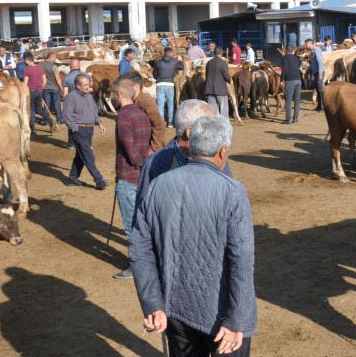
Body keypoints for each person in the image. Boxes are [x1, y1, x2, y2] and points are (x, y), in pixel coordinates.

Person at [131, 114, 256, 357]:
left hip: (175, 310)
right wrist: (237, 319)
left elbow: (139, 249)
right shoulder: (233, 193)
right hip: (222, 316)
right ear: (223, 152)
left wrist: (153, 303)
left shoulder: (158, 185)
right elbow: (242, 261)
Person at [134, 99, 233, 213]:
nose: (216, 131)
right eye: (209, 126)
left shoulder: (217, 157)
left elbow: (229, 203)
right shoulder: (154, 164)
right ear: (190, 132)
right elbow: (141, 212)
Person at [109, 78, 152, 280]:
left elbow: (130, 150)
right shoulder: (141, 114)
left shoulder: (123, 117)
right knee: (144, 222)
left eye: (112, 96)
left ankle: (136, 266)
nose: (111, 99)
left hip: (128, 176)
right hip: (144, 177)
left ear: (119, 95)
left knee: (131, 226)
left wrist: (138, 164)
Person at [63, 74, 107, 189]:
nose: (88, 87)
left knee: (81, 154)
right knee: (88, 155)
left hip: (89, 129)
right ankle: (99, 180)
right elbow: (67, 115)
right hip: (79, 129)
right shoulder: (71, 97)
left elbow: (94, 111)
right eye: (85, 85)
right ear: (78, 86)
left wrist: (99, 123)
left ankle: (72, 178)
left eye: (88, 84)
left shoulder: (88, 96)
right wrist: (75, 128)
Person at [125, 71, 167, 153]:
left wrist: (154, 148)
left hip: (148, 148)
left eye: (126, 87)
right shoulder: (131, 101)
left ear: (136, 87)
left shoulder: (145, 100)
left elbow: (159, 124)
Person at [23, 53, 54, 133]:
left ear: (27, 60)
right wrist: (40, 88)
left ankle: (32, 128)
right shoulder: (40, 68)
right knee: (39, 109)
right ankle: (50, 120)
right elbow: (45, 80)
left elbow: (25, 83)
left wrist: (24, 91)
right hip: (38, 92)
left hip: (30, 92)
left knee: (30, 110)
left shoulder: (27, 69)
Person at [153, 47, 183, 126]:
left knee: (160, 105)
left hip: (160, 84)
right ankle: (170, 123)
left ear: (164, 53)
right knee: (170, 104)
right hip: (170, 84)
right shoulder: (175, 62)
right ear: (170, 53)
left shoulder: (158, 62)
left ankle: (161, 122)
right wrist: (180, 59)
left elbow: (154, 74)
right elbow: (182, 67)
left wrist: (158, 78)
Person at [40, 53, 64, 128]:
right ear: (52, 57)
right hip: (55, 88)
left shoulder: (40, 66)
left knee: (47, 104)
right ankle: (59, 119)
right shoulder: (54, 66)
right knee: (57, 104)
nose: (55, 59)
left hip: (45, 88)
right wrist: (61, 88)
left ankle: (45, 120)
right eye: (55, 58)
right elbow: (57, 79)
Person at [205, 51, 231, 118]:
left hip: (210, 90)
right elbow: (226, 76)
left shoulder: (208, 63)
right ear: (221, 54)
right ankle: (224, 125)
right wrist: (229, 80)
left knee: (213, 112)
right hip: (221, 90)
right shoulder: (223, 63)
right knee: (223, 110)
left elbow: (206, 75)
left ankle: (215, 126)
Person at [281, 47, 302, 124]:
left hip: (290, 80)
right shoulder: (296, 58)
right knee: (297, 100)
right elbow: (299, 65)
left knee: (288, 101)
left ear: (286, 51)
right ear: (292, 51)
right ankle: (296, 118)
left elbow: (284, 69)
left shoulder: (284, 58)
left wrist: (282, 80)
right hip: (298, 80)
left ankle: (288, 119)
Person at [305, 39, 325, 111]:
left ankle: (322, 106)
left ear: (311, 43)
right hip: (316, 73)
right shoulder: (313, 51)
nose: (306, 46)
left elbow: (320, 62)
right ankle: (319, 106)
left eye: (306, 44)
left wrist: (320, 74)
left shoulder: (317, 50)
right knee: (317, 89)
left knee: (320, 90)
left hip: (319, 73)